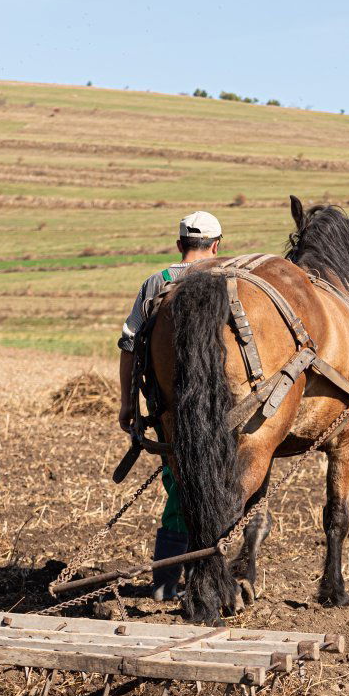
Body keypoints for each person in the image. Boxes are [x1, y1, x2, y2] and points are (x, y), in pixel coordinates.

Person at [117, 211, 222, 601]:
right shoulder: (230, 282)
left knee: (178, 483)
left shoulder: (156, 284)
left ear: (180, 246)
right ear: (216, 246)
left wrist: (128, 403)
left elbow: (129, 344)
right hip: (223, 409)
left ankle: (165, 582)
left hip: (169, 410)